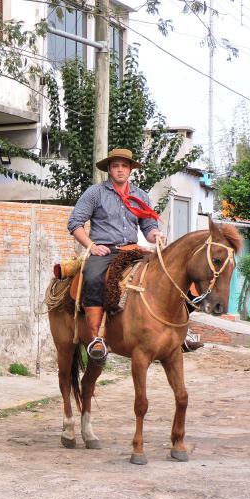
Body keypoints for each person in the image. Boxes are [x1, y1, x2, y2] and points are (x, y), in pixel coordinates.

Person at [67, 148, 164, 360]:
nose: (120, 170)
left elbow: (148, 228)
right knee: (92, 278)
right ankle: (96, 338)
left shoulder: (141, 195)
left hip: (133, 250)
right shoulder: (95, 192)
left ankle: (176, 333)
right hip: (104, 250)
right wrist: (91, 246)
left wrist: (155, 234)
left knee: (164, 274)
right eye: (115, 166)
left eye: (124, 166)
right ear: (109, 169)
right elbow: (75, 223)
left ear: (130, 169)